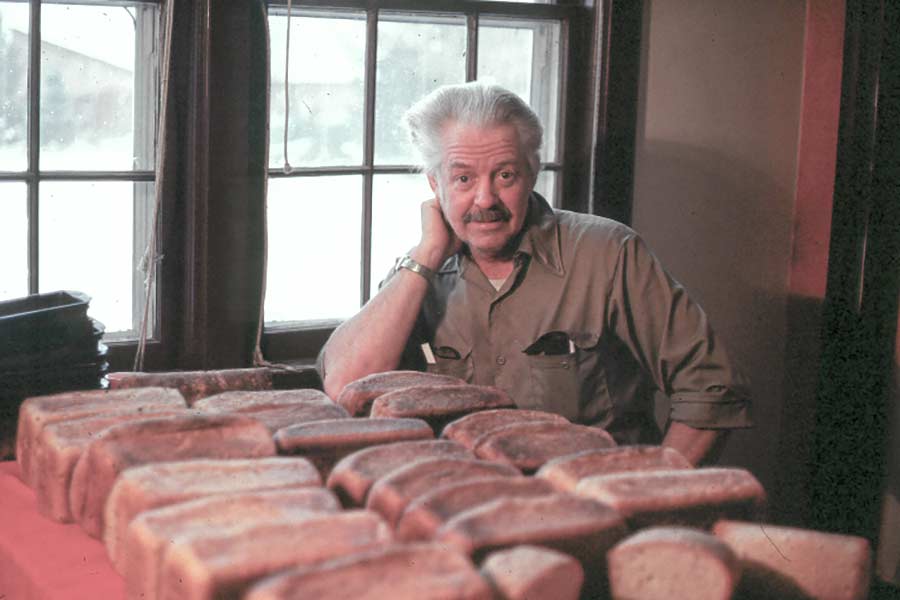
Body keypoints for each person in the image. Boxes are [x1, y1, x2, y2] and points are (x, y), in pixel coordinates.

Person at [317, 81, 751, 465]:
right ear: (435, 185)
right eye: (463, 178)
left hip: (593, 507)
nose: (485, 199)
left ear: (531, 174)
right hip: (459, 510)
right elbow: (346, 388)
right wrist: (428, 252)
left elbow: (712, 388)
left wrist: (647, 496)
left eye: (505, 175)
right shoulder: (419, 272)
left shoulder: (608, 253)